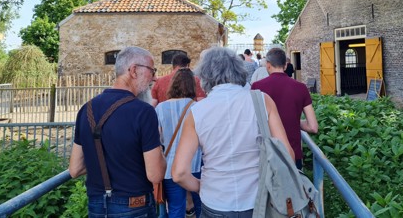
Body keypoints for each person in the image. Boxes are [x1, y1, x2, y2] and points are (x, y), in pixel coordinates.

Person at [171, 47, 293, 217]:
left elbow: (179, 173)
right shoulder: (262, 100)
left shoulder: (196, 112)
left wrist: (203, 186)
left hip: (215, 202)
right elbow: (287, 155)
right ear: (238, 70)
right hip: (259, 201)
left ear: (204, 76)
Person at [69, 46, 166, 218]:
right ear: (134, 70)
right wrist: (161, 153)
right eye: (152, 70)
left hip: (97, 206)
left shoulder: (86, 109)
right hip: (135, 206)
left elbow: (75, 169)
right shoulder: (144, 111)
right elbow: (156, 174)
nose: (155, 77)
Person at [252, 47, 318, 170]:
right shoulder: (301, 87)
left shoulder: (257, 87)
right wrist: (292, 121)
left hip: (266, 155)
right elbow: (313, 127)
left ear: (268, 65)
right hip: (293, 155)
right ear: (286, 65)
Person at [156, 68, 202, 218]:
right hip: (194, 164)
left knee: (175, 208)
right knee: (201, 206)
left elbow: (158, 139)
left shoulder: (160, 108)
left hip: (170, 167)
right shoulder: (198, 108)